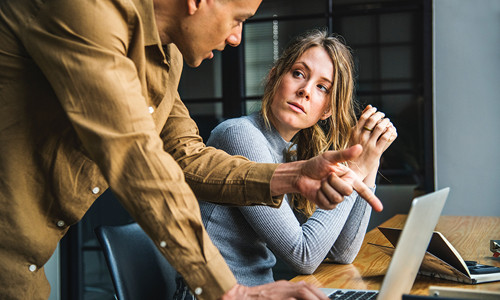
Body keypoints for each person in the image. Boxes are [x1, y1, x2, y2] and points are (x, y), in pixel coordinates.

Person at [0, 0, 381, 299]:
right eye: (238, 18)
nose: (236, 38)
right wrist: (226, 290)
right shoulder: (88, 12)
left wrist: (295, 176)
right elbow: (136, 159)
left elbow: (188, 157)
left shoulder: (168, 57)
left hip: (25, 266)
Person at [175, 29, 397, 297]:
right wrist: (355, 170)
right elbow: (304, 255)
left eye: (322, 87)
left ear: (327, 110)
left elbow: (342, 252)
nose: (305, 91)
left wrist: (369, 161)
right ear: (274, 77)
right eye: (299, 73)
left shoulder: (293, 152)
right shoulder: (240, 135)